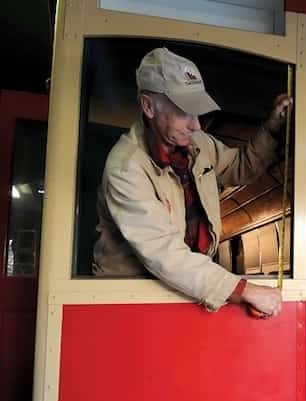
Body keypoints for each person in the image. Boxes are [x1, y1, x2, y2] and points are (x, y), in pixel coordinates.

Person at [93, 47, 291, 317]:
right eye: (185, 111)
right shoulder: (126, 168)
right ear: (148, 106)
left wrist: (271, 129)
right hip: (132, 303)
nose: (196, 125)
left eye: (198, 112)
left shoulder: (199, 144)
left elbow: (240, 168)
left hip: (183, 286)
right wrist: (245, 290)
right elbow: (165, 254)